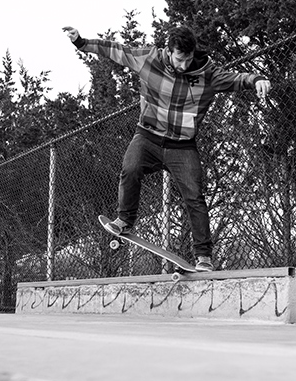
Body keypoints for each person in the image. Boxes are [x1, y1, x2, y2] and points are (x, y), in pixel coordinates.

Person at [63, 25, 271, 271]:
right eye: (180, 59)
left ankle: (204, 257)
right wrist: (81, 42)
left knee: (194, 196)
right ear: (169, 52)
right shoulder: (149, 59)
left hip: (182, 146)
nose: (184, 65)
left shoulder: (207, 74)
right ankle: (125, 221)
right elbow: (116, 51)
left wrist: (256, 79)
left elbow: (236, 79)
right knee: (130, 169)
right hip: (147, 137)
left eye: (189, 59)